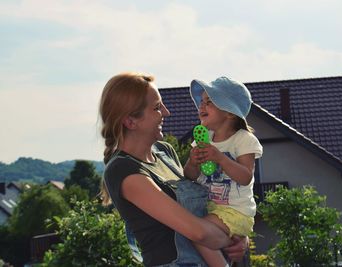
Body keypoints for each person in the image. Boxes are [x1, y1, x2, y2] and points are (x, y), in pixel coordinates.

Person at [99, 72, 248, 267]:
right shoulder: (123, 170)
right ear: (130, 121)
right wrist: (229, 238)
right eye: (157, 108)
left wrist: (239, 235)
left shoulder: (164, 152)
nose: (167, 112)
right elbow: (198, 232)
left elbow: (205, 212)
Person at [184, 76, 263, 267]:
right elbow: (189, 176)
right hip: (212, 209)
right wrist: (193, 163)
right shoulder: (203, 139)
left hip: (235, 211)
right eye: (201, 102)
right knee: (200, 236)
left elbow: (245, 177)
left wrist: (220, 158)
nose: (202, 106)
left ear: (229, 113)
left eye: (209, 102)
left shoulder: (243, 140)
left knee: (198, 233)